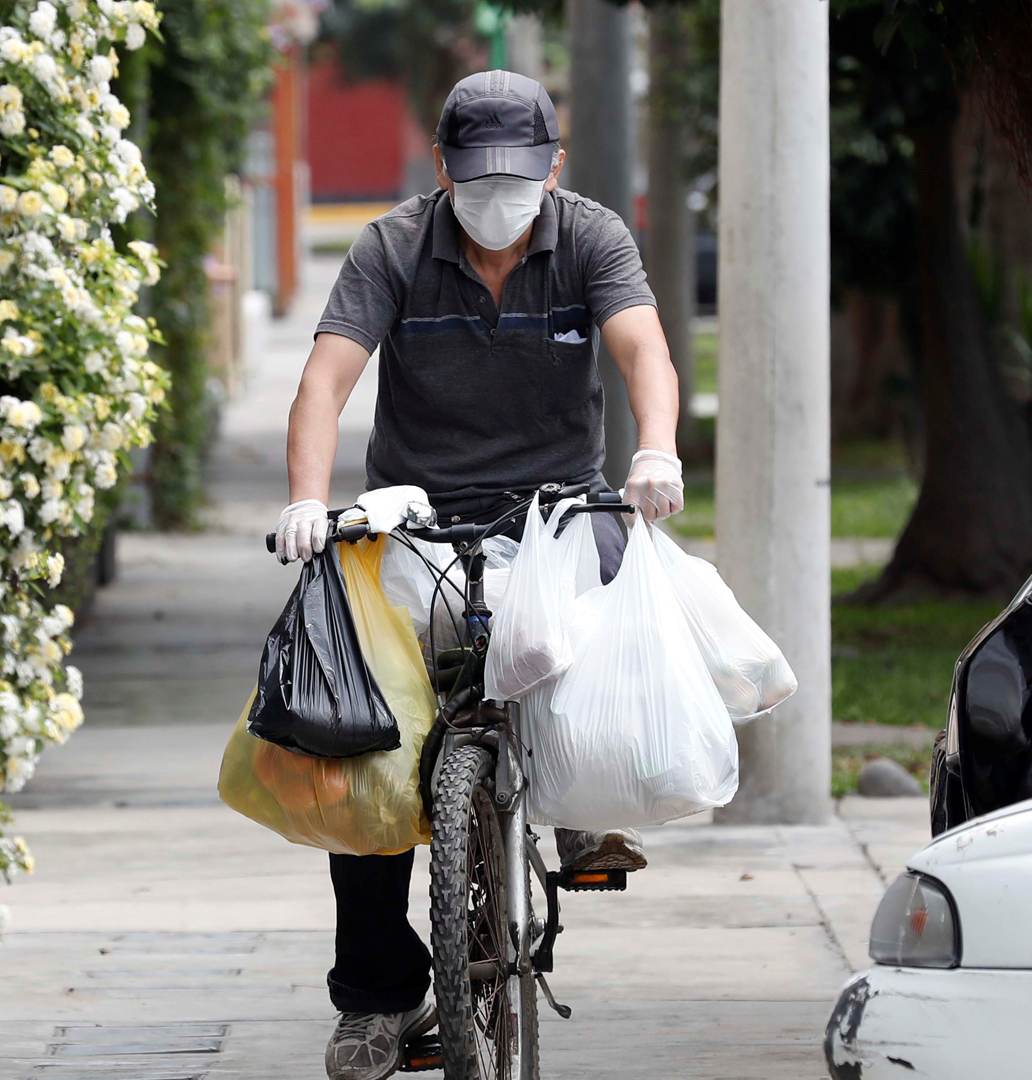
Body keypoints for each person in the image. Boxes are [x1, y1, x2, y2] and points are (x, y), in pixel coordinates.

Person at [274, 70, 684, 1080]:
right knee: (364, 753)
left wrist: (657, 449)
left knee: (594, 630)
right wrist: (306, 502)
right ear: (442, 169)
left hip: (558, 507)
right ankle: (376, 999)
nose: (497, 200)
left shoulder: (590, 237)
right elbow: (326, 377)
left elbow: (644, 351)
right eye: (477, 179)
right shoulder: (392, 246)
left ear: (554, 166)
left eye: (517, 178)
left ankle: (581, 801)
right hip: (414, 511)